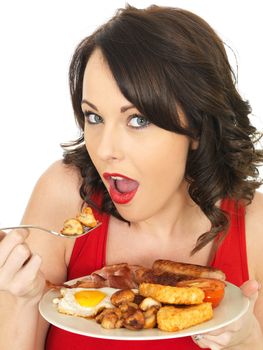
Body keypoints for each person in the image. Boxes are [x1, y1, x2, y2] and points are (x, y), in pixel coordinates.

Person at [0, 4, 263, 349]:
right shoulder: (65, 196)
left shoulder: (255, 227)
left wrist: (247, 341)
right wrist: (23, 300)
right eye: (94, 117)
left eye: (138, 119)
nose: (106, 149)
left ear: (197, 126)